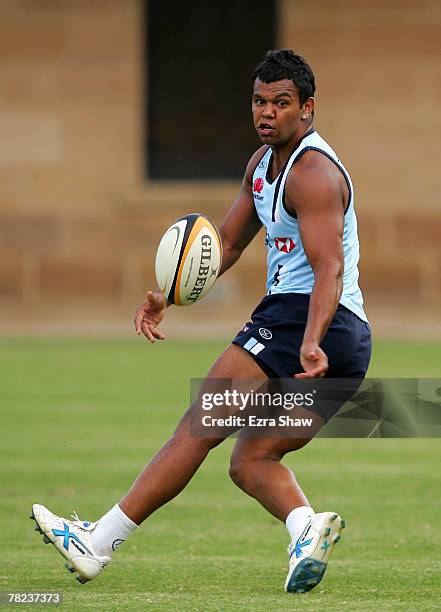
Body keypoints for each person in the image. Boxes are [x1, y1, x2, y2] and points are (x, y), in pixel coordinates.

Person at [31, 49, 371, 594]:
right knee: (252, 459)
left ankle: (96, 543)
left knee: (199, 421)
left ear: (307, 109)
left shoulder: (313, 173)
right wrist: (170, 295)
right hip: (348, 341)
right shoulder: (262, 168)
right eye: (259, 101)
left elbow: (329, 268)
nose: (267, 113)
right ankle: (306, 527)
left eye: (281, 103)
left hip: (306, 320)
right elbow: (228, 242)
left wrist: (309, 340)